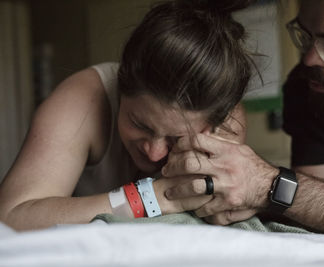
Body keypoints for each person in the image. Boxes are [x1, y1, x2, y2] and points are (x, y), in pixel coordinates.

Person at [0, 0, 256, 230]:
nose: (154, 152)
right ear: (120, 90)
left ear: (212, 126)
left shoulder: (228, 122)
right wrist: (151, 198)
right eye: (139, 124)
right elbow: (10, 218)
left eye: (174, 138)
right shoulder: (80, 101)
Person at [161, 0, 324, 246]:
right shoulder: (311, 88)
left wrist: (267, 184)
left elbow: (296, 196)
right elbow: (315, 208)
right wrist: (244, 192)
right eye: (305, 35)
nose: (309, 59)